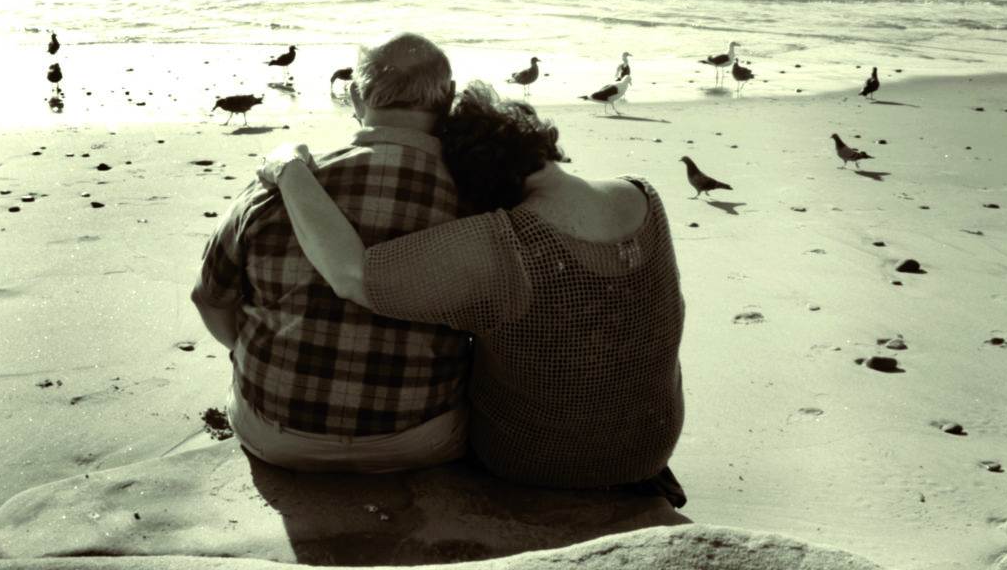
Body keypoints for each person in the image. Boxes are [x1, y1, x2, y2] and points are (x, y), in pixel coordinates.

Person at [259, 82, 687, 506]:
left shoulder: (501, 241)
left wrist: (288, 169)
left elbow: (352, 274)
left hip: (542, 463)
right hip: (651, 447)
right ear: (540, 140)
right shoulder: (643, 196)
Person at [191, 33, 472, 473]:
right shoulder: (475, 196)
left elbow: (208, 297)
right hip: (418, 440)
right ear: (448, 97)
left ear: (356, 95)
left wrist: (244, 353)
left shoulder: (280, 184)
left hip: (276, 435)